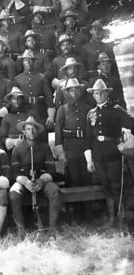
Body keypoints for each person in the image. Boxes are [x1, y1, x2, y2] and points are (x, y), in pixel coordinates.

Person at [84, 79, 134, 228]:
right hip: (98, 156)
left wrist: (125, 136)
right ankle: (112, 219)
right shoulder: (90, 113)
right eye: (96, 93)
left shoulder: (116, 109)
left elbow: (131, 121)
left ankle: (122, 220)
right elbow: (88, 138)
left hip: (113, 153)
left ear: (106, 93)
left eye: (101, 93)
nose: (99, 96)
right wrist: (89, 160)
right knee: (106, 187)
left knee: (116, 187)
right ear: (93, 95)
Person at [9, 116, 60, 236]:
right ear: (24, 131)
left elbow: (51, 170)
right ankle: (21, 230)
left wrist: (42, 181)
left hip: (41, 180)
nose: (31, 132)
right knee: (13, 194)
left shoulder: (45, 147)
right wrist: (25, 181)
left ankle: (53, 229)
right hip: (24, 181)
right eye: (28, 129)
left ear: (37, 131)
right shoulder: (17, 149)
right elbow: (15, 173)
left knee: (55, 191)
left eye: (33, 129)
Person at [54, 78, 91, 223]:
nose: (74, 92)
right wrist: (62, 155)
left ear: (80, 91)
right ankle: (75, 217)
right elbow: (58, 135)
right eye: (71, 89)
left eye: (76, 89)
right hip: (70, 149)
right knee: (74, 180)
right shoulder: (62, 109)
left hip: (85, 148)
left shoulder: (88, 108)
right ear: (67, 92)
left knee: (87, 180)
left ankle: (88, 215)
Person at [13, 49, 55, 128]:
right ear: (22, 62)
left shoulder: (41, 77)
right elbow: (15, 100)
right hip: (24, 112)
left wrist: (50, 116)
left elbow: (48, 97)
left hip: (40, 112)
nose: (28, 62)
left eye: (30, 60)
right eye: (25, 60)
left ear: (34, 61)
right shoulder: (17, 79)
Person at [0, 87, 37, 152]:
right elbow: (2, 138)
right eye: (13, 98)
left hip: (31, 149)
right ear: (10, 101)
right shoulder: (7, 118)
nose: (16, 100)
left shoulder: (32, 114)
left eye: (18, 98)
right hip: (13, 150)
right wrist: (13, 142)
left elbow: (39, 132)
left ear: (22, 99)